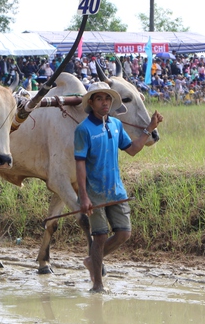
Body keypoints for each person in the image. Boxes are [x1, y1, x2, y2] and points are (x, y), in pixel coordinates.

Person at [74, 82, 162, 292]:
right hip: (94, 192)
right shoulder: (83, 130)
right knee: (101, 236)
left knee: (124, 233)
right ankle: (98, 285)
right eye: (99, 99)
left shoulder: (115, 124)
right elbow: (80, 165)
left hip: (116, 190)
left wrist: (149, 128)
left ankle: (92, 260)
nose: (104, 103)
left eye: (107, 99)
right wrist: (84, 197)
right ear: (91, 103)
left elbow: (132, 149)